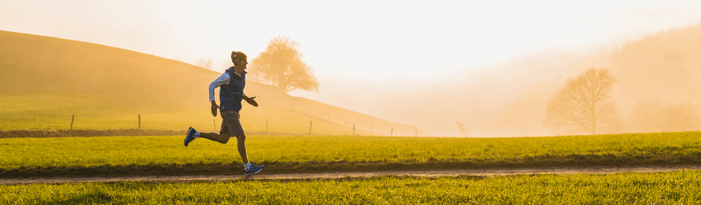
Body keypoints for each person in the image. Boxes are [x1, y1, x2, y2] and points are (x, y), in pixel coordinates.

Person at [184, 51, 263, 176]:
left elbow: (237, 91)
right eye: (244, 60)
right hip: (228, 111)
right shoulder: (227, 76)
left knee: (223, 139)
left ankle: (194, 134)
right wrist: (212, 103)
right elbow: (211, 85)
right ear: (237, 62)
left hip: (233, 110)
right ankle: (248, 167)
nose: (246, 62)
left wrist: (247, 99)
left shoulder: (241, 75)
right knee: (241, 137)